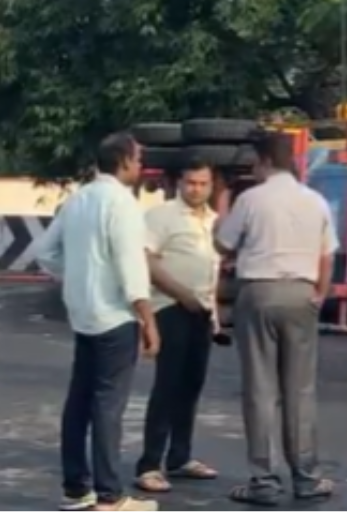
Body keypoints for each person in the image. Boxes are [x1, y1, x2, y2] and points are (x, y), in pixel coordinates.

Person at [38, 133, 160, 512]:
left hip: (84, 315)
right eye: (138, 159)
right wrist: (148, 319)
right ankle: (111, 495)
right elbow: (131, 266)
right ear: (124, 161)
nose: (141, 167)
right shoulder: (121, 203)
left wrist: (76, 276)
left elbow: (46, 253)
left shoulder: (78, 199)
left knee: (79, 402)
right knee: (108, 406)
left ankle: (76, 489)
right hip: (115, 317)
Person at [216, 131, 338, 506]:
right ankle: (306, 477)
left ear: (266, 161)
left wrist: (222, 204)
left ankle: (263, 481)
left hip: (258, 293)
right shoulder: (315, 201)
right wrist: (319, 293)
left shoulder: (250, 199)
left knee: (261, 390)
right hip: (302, 294)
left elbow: (223, 244)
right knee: (299, 390)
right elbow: (327, 254)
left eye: (255, 161)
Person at [135, 157, 222, 494]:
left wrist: (214, 313)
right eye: (190, 183)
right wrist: (182, 294)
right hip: (170, 308)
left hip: (202, 313)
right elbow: (146, 260)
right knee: (167, 387)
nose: (196, 189)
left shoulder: (214, 221)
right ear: (179, 183)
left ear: (211, 185)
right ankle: (150, 464)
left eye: (202, 183)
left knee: (191, 386)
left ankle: (180, 457)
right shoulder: (161, 216)